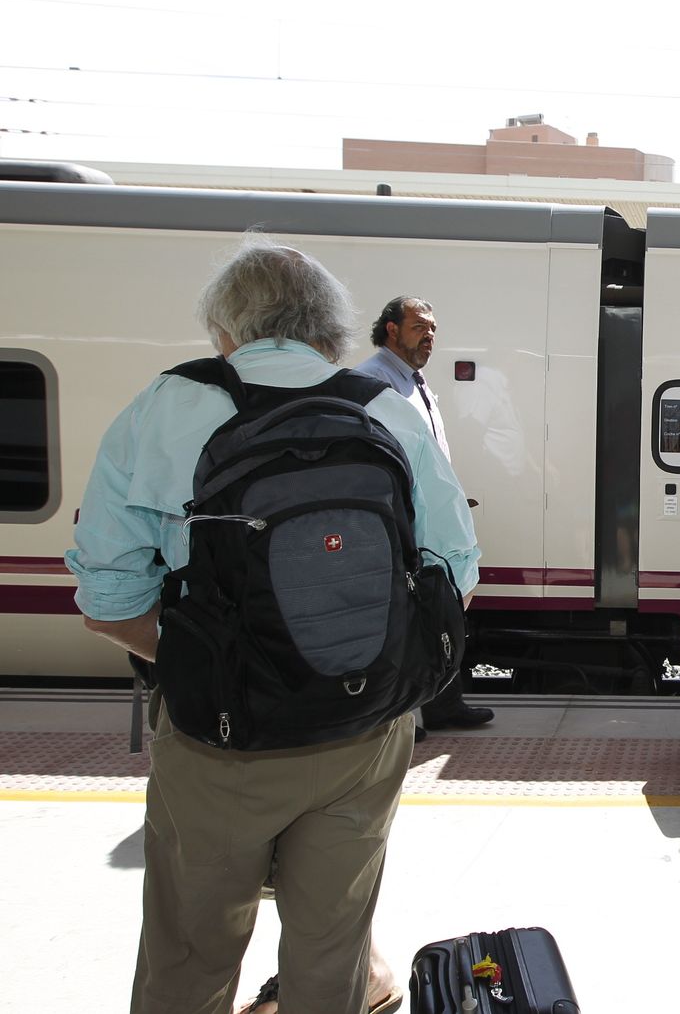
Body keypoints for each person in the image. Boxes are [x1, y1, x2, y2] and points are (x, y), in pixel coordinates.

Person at [65, 239, 479, 1014]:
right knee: (332, 954)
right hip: (362, 734)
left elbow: (108, 602)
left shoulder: (168, 405)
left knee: (189, 959)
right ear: (332, 329)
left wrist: (205, 662)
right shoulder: (383, 406)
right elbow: (453, 576)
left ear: (225, 329)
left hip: (219, 740)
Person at [355, 296, 493, 734]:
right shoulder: (374, 381)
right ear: (391, 329)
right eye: (419, 326)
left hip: (424, 513)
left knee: (434, 607)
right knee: (402, 613)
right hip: (402, 516)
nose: (429, 335)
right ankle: (397, 715)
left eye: (433, 328)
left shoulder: (413, 381)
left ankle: (442, 703)